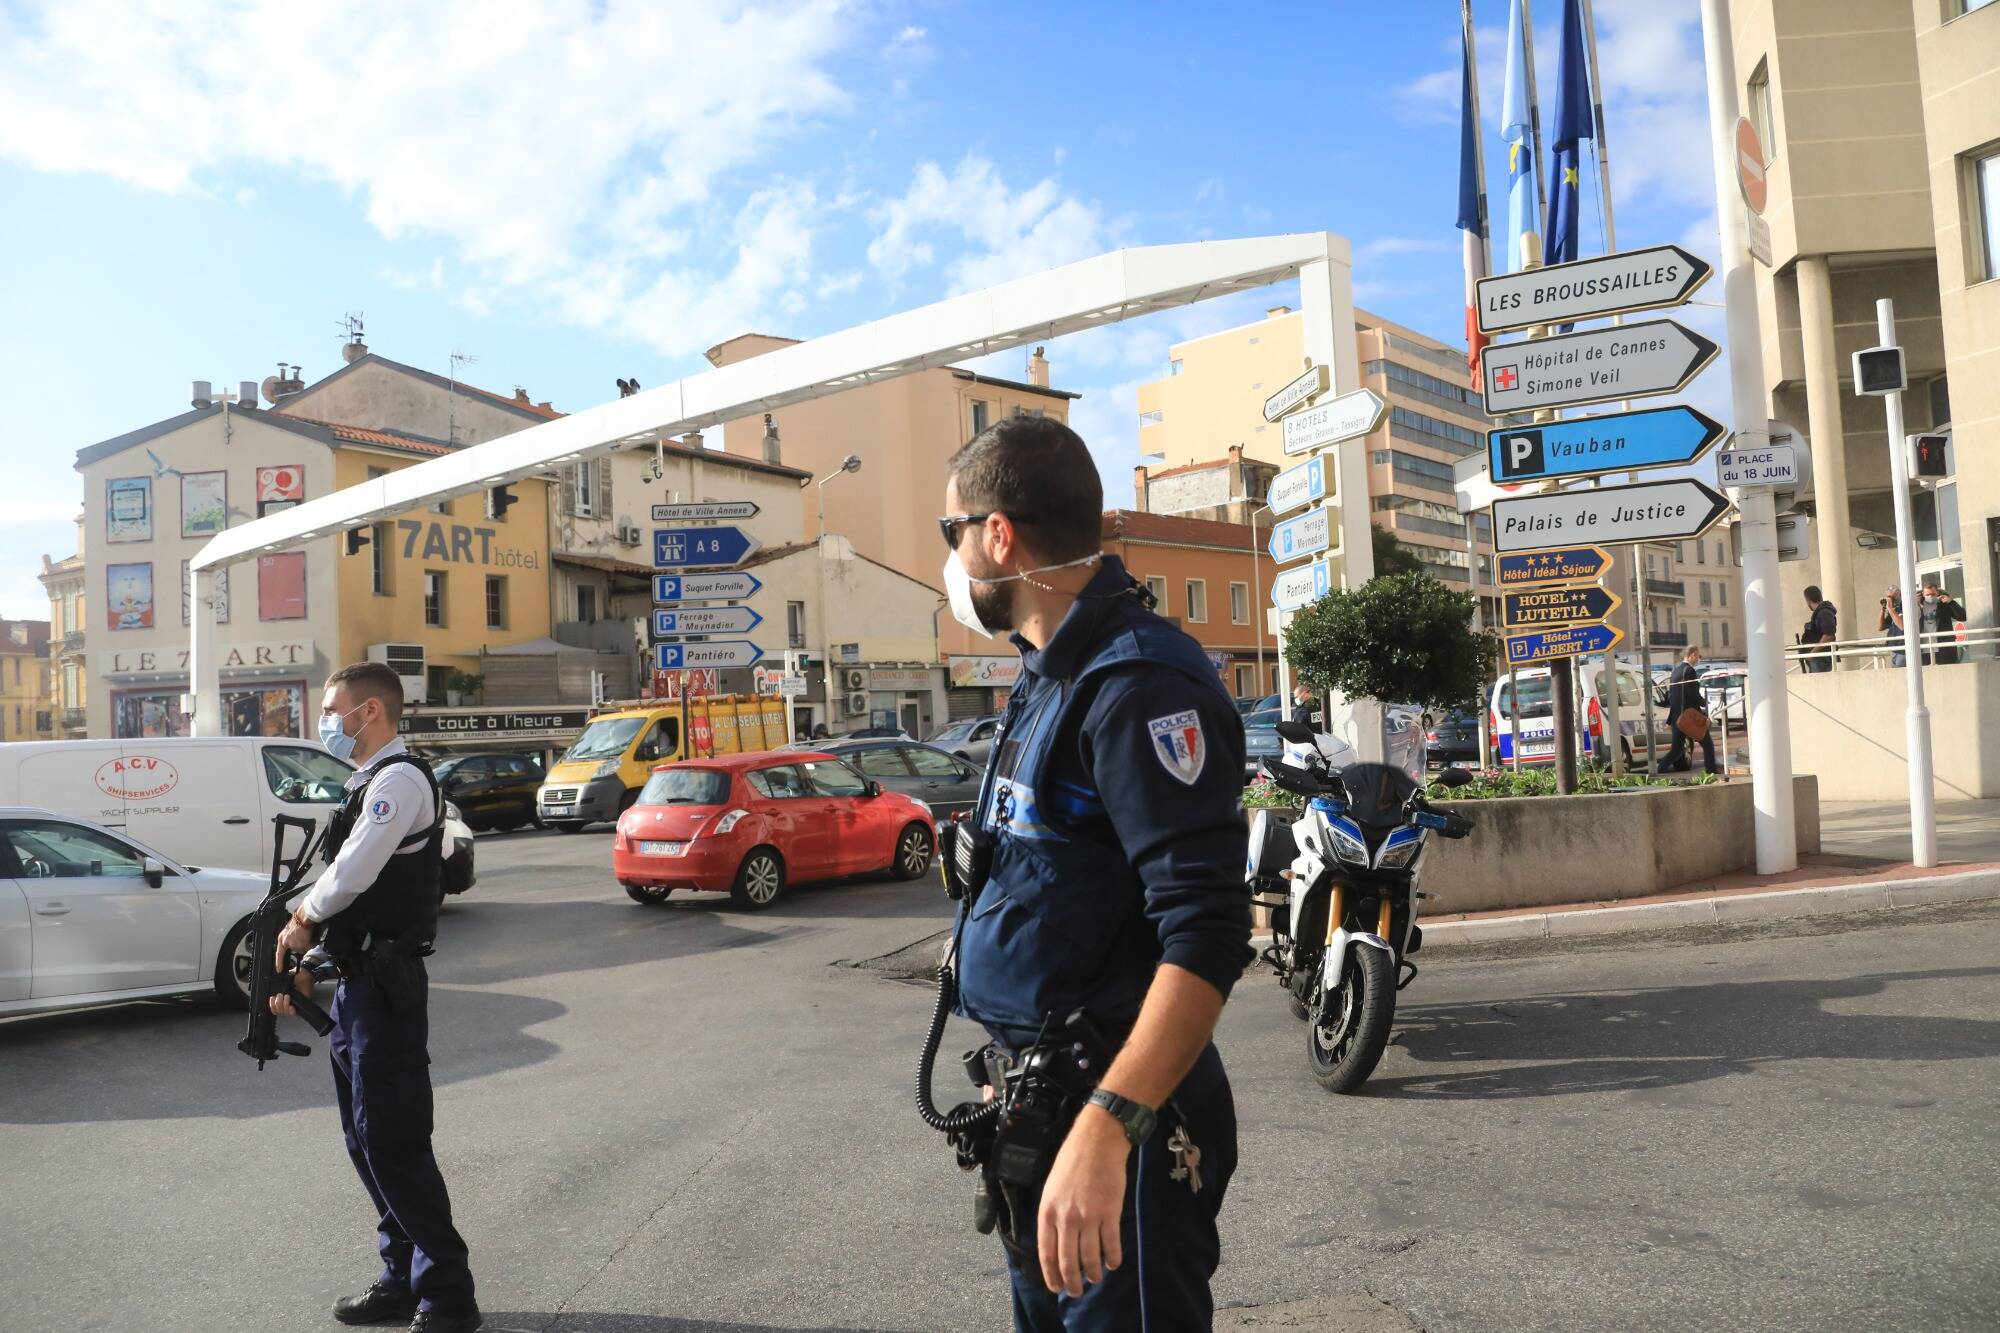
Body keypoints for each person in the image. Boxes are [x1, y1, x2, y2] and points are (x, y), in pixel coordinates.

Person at [939, 415, 1251, 1330]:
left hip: (1121, 1129)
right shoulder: (1050, 674)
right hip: (1044, 1107)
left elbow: (1207, 932)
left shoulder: (1138, 684)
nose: (951, 559)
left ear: (1000, 535)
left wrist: (1111, 1124)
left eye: (953, 532)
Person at [272, 663, 479, 1333]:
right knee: (365, 1141)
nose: (326, 721)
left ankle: (447, 1296)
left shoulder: (398, 780)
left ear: (371, 712)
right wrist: (310, 963)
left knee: (394, 1142)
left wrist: (303, 919)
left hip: (386, 993)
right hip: (358, 986)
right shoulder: (365, 783)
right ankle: (401, 1277)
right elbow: (355, 895)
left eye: (334, 709)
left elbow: (355, 869)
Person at [1664, 646, 1719, 775]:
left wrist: (1670, 720)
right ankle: (1712, 772)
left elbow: (1672, 697)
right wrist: (1704, 703)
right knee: (1708, 745)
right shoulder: (1689, 671)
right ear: (1692, 655)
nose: (1698, 659)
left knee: (1677, 750)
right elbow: (1692, 694)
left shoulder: (1675, 671)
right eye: (1698, 656)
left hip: (1678, 718)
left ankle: (1660, 770)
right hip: (1689, 717)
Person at [1920, 580, 1967, 665]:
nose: (1930, 597)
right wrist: (1915, 604)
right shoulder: (1918, 605)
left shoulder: (1944, 604)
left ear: (1937, 593)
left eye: (1933, 594)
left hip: (1943, 648)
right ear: (1923, 594)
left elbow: (1962, 617)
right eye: (1927, 595)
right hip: (1924, 649)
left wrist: (1951, 602)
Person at [1801, 586, 1838, 672]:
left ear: (1808, 600)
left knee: (1819, 680)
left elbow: (1828, 636)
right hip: (1819, 658)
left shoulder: (1824, 613)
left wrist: (1812, 653)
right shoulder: (1822, 612)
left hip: (1821, 658)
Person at [1879, 587, 1906, 667]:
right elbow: (1880, 627)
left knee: (1900, 672)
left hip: (1903, 649)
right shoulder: (1894, 610)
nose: (1890, 599)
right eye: (1888, 597)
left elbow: (1902, 626)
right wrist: (1883, 609)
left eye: (1892, 597)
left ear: (1899, 595)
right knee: (1895, 671)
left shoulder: (1904, 607)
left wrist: (1890, 608)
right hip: (1894, 649)